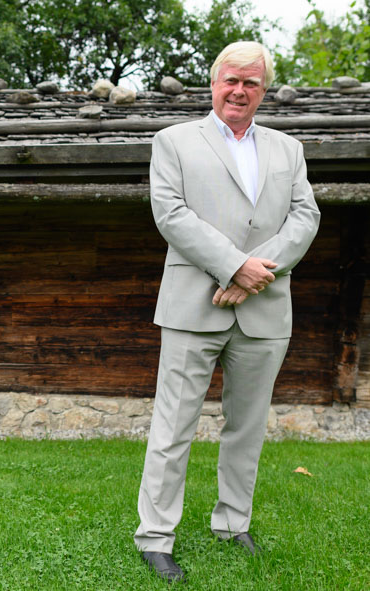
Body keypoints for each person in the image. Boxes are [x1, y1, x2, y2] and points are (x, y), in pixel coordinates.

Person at [134, 41, 321, 583]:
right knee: (173, 426)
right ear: (213, 83)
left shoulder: (289, 149)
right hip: (194, 307)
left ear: (264, 90)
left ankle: (233, 523)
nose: (239, 91)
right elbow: (170, 214)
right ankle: (155, 537)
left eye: (252, 83)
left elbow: (305, 217)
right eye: (231, 80)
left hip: (265, 309)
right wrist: (235, 266)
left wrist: (259, 273)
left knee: (247, 428)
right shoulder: (172, 142)